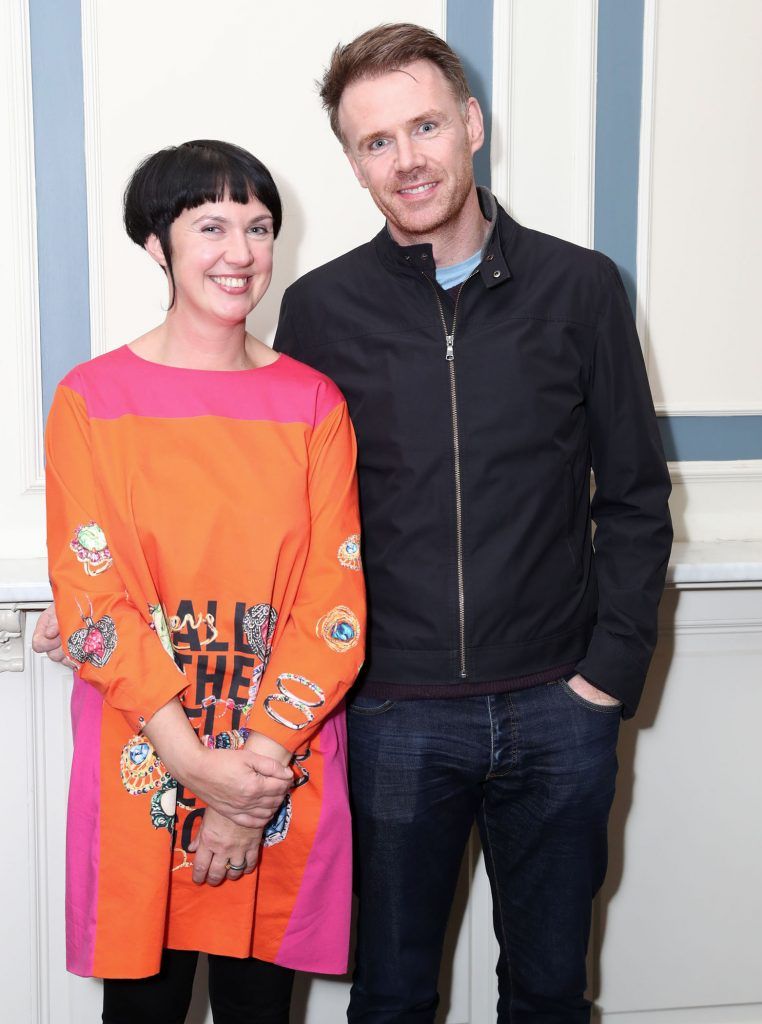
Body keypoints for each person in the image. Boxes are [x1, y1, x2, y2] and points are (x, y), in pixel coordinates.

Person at [35, 22, 673, 1024]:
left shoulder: (580, 288)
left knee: (550, 990)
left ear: (470, 124)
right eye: (377, 142)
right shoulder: (325, 312)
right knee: (387, 997)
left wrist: (606, 680)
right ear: (353, 162)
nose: (408, 159)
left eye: (424, 126)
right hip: (391, 717)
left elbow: (634, 496)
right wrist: (95, 620)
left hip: (558, 704)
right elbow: (247, 519)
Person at [41, 139, 364, 1024]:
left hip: (279, 763)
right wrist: (193, 766)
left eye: (258, 228)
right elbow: (93, 597)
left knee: (261, 1005)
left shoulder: (313, 404)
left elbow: (332, 609)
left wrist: (247, 790)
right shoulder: (91, 401)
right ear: (158, 243)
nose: (241, 252)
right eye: (211, 225)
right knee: (141, 1008)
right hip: (143, 754)